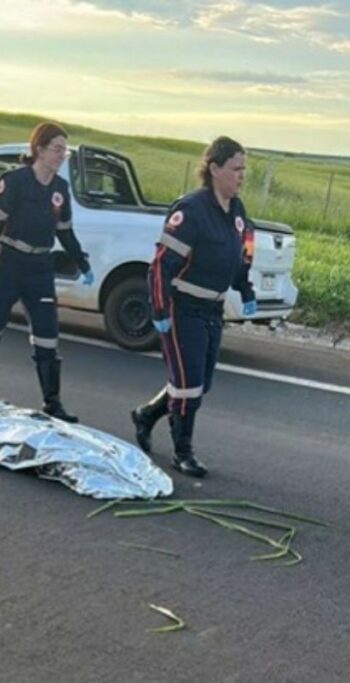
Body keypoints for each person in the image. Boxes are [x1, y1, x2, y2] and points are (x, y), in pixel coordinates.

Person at [130, 136, 257, 477]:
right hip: (182, 306)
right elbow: (161, 266)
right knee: (187, 386)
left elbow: (242, 256)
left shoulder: (238, 211)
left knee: (199, 383)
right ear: (214, 169)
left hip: (212, 309)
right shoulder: (191, 211)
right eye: (236, 169)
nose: (242, 175)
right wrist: (159, 310)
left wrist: (246, 290)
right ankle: (182, 453)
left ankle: (145, 414)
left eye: (244, 169)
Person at [0, 122, 94, 422]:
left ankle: (52, 404)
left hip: (40, 269)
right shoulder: (15, 182)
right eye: (57, 149)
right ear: (39, 150)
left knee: (47, 336)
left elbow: (65, 233)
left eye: (64, 152)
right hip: (9, 264)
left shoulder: (60, 190)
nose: (61, 156)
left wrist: (83, 263)